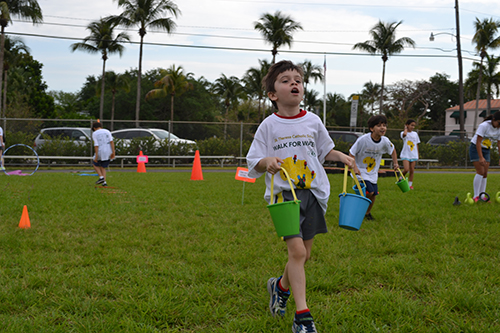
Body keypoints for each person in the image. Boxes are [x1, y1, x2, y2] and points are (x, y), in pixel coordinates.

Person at [246, 60, 355, 333]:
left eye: (298, 79)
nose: (294, 83)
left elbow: (324, 150)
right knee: (295, 251)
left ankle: (279, 286)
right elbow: (253, 160)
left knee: (303, 255)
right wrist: (267, 161)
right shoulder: (268, 126)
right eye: (285, 80)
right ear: (273, 94)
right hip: (285, 197)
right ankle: (302, 316)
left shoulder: (313, 121)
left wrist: (340, 156)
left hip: (313, 193)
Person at [349, 115, 399, 220]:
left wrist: (395, 164)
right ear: (372, 128)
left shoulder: (385, 141)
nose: (382, 128)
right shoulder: (363, 140)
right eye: (379, 125)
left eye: (384, 125)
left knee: (374, 195)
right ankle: (356, 210)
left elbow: (392, 150)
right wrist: (354, 168)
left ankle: (367, 214)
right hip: (360, 172)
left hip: (373, 173)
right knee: (369, 192)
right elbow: (351, 153)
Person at [469, 111, 500, 202]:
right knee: (480, 171)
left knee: (485, 173)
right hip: (475, 148)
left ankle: (482, 196)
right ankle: (476, 196)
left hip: (486, 149)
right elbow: (478, 142)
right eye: (499, 122)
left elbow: (499, 144)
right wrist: (481, 157)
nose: (499, 125)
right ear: (494, 120)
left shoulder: (499, 128)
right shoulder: (484, 126)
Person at [91, 122, 115, 186]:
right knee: (103, 167)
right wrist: (113, 152)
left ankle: (101, 177)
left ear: (94, 128)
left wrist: (96, 156)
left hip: (100, 150)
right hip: (108, 151)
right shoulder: (107, 131)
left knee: (95, 164)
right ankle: (104, 182)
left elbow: (96, 145)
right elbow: (111, 142)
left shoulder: (95, 133)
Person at [400, 119, 420, 189]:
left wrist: (417, 154)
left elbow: (416, 144)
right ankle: (401, 177)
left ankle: (410, 185)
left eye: (414, 125)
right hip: (406, 154)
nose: (413, 127)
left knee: (412, 170)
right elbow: (404, 135)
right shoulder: (403, 132)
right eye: (411, 125)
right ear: (407, 125)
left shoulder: (415, 134)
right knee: (406, 169)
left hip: (413, 154)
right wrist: (405, 128)